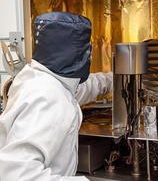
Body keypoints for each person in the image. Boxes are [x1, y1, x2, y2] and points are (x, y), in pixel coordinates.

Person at [0, 12, 112, 181]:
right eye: (87, 49)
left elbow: (81, 89)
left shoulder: (41, 79)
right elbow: (18, 175)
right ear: (75, 52)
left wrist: (113, 79)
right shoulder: (47, 97)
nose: (90, 55)